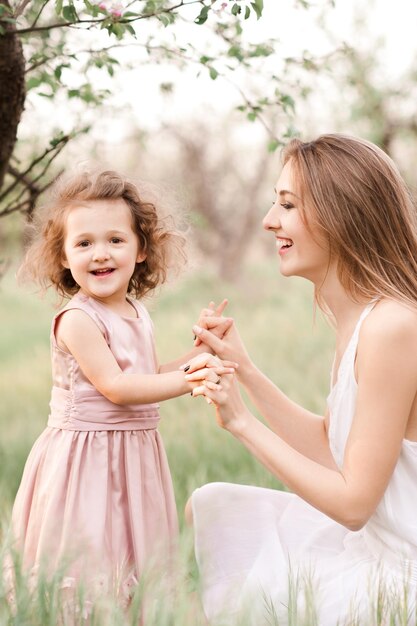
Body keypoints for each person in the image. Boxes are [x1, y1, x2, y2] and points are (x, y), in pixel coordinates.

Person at [181, 134, 417, 625]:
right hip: (373, 547)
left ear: (341, 214)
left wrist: (242, 422)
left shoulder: (393, 326)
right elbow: (332, 445)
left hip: (399, 571)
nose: (270, 220)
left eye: (286, 204)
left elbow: (354, 504)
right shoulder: (360, 319)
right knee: (213, 504)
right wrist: (244, 369)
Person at [11, 167, 234, 606]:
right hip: (86, 460)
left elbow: (146, 376)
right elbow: (116, 387)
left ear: (142, 249)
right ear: (62, 256)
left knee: (133, 562)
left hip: (133, 455)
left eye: (115, 239)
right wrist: (193, 379)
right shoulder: (77, 320)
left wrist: (202, 349)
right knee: (90, 564)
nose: (100, 254)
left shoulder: (136, 311)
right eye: (84, 243)